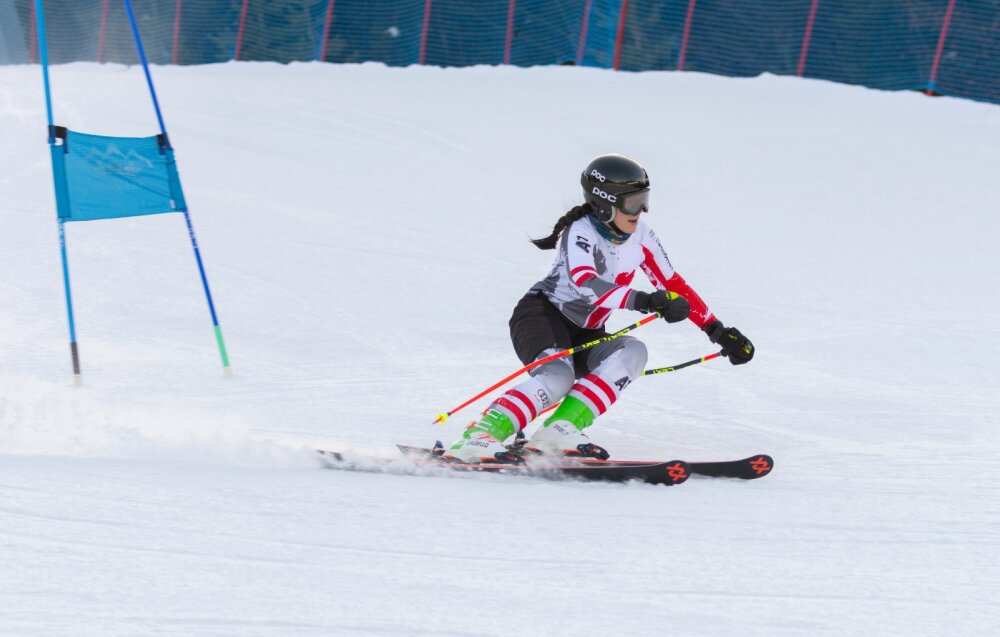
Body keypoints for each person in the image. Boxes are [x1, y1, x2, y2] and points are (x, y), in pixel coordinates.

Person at [444, 154, 754, 463]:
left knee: (633, 352)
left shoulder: (642, 236)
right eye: (632, 203)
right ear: (604, 204)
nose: (640, 211)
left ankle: (559, 430)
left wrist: (717, 330)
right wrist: (646, 301)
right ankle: (477, 436)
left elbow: (673, 284)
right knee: (558, 376)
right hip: (543, 316)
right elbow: (586, 284)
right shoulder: (580, 231)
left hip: (587, 331)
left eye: (644, 201)